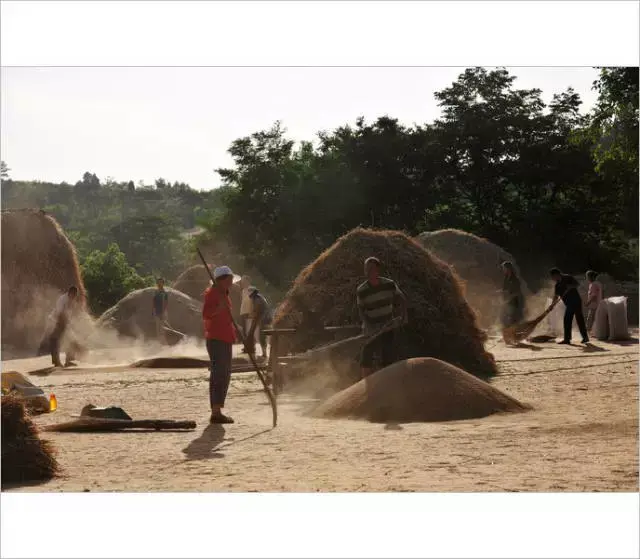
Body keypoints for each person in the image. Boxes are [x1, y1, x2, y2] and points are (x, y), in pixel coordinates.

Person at [356, 257, 408, 378]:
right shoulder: (362, 290)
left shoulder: (389, 284)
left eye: (372, 269)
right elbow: (361, 310)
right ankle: (365, 384)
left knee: (388, 354)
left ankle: (386, 382)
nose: (369, 272)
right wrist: (367, 325)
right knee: (367, 354)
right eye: (366, 270)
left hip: (388, 324)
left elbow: (402, 299)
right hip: (372, 325)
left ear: (378, 270)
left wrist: (404, 316)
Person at [202, 265, 241, 424]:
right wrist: (218, 309)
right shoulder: (212, 294)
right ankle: (216, 412)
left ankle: (218, 409)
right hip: (217, 339)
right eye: (230, 278)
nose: (232, 281)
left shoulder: (224, 293)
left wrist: (234, 331)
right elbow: (206, 314)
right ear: (223, 279)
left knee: (224, 373)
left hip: (225, 337)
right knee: (219, 373)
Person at [550, 268, 589, 344]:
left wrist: (570, 286)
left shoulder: (568, 277)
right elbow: (556, 296)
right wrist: (552, 305)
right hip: (569, 303)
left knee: (571, 318)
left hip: (575, 301)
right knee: (574, 319)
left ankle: (568, 339)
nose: (552, 279)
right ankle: (583, 338)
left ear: (557, 274)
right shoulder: (557, 285)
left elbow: (577, 284)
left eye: (553, 277)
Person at [46, 286, 80, 367]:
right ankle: (56, 362)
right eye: (73, 294)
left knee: (71, 339)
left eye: (75, 295)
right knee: (55, 341)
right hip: (55, 321)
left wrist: (71, 323)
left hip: (64, 322)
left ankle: (69, 360)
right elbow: (60, 313)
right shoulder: (62, 299)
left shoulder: (71, 300)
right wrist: (65, 324)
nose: (74, 296)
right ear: (70, 293)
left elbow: (71, 313)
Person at [245, 286, 273, 360]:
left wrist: (253, 318)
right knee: (262, 336)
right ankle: (264, 353)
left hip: (264, 319)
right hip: (265, 319)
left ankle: (264, 354)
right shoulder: (259, 297)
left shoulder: (257, 299)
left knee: (262, 337)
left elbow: (257, 312)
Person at [500, 261, 525, 328]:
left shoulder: (515, 279)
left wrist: (508, 299)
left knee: (513, 319)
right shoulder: (506, 278)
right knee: (504, 318)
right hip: (508, 302)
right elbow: (505, 290)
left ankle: (514, 333)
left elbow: (517, 292)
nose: (503, 270)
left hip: (515, 302)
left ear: (509, 269)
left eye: (504, 268)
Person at [152, 278, 169, 344]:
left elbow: (166, 303)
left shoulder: (165, 292)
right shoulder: (155, 291)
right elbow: (153, 301)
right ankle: (159, 343)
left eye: (160, 282)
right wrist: (153, 310)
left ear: (163, 283)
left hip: (163, 312)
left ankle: (164, 343)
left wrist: (163, 312)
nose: (159, 284)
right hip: (156, 311)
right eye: (158, 282)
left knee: (162, 329)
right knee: (157, 329)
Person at [238, 276, 252, 352]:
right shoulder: (243, 290)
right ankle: (246, 346)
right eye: (242, 282)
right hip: (243, 312)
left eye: (244, 281)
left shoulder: (252, 290)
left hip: (248, 312)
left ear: (248, 282)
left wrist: (252, 312)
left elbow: (253, 301)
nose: (242, 283)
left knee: (249, 330)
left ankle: (250, 347)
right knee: (244, 331)